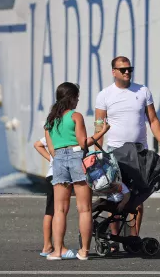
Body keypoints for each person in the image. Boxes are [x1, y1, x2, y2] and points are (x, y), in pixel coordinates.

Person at [95, 56, 160, 244]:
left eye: (130, 69)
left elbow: (152, 119)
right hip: (114, 152)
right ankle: (115, 238)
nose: (127, 72)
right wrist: (96, 152)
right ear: (114, 72)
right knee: (116, 197)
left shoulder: (143, 91)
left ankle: (133, 238)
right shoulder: (104, 95)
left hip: (139, 154)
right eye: (123, 69)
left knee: (138, 197)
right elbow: (98, 126)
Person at [44, 82, 110, 261]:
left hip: (58, 160)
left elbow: (51, 150)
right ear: (71, 98)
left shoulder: (50, 120)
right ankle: (84, 251)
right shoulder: (76, 116)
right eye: (77, 97)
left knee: (59, 209)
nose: (78, 100)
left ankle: (57, 251)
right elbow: (83, 143)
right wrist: (101, 132)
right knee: (84, 209)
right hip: (75, 157)